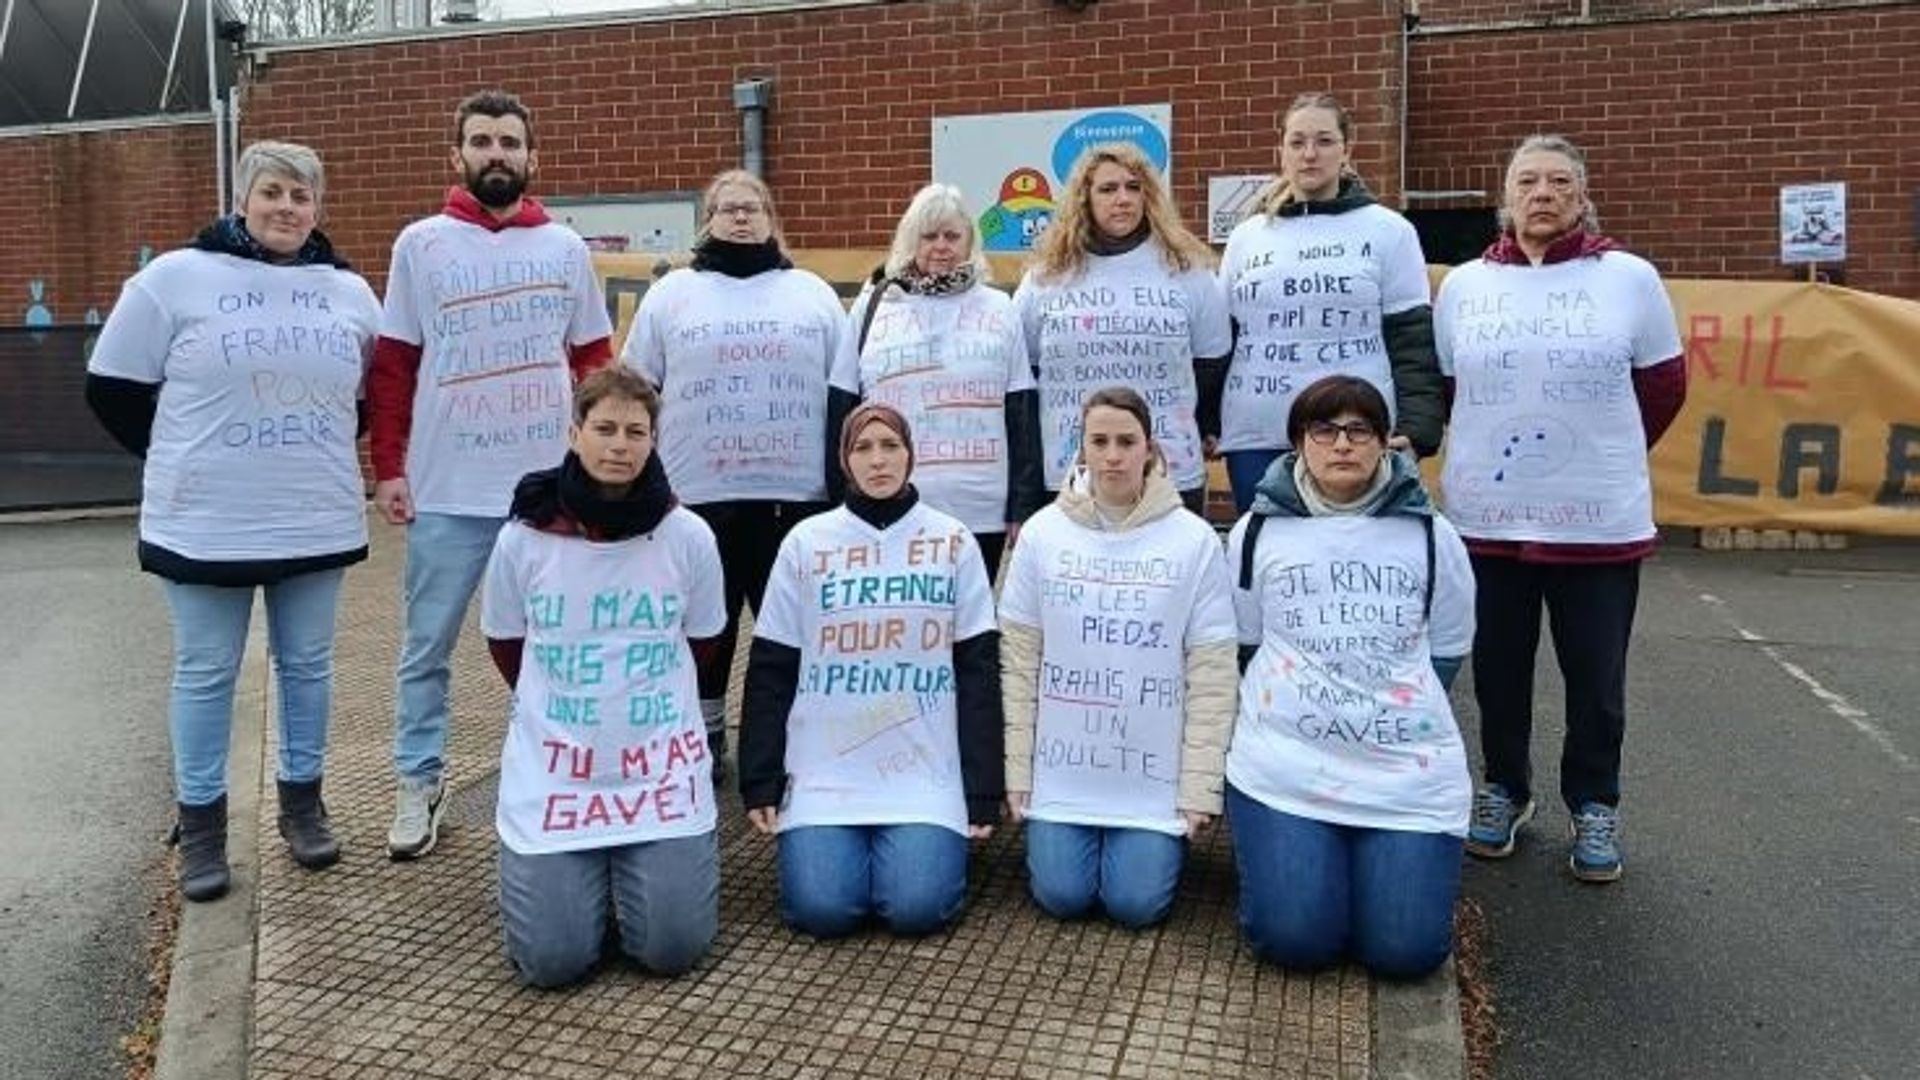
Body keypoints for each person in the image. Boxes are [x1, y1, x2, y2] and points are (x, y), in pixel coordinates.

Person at [85, 140, 381, 901]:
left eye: (302, 196)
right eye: (272, 192)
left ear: (318, 208)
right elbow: (112, 387)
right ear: (242, 200)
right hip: (204, 522)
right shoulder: (174, 279)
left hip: (312, 517)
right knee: (206, 670)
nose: (287, 207)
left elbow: (364, 398)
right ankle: (203, 830)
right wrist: (179, 454)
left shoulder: (349, 292)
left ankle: (303, 807)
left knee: (308, 666)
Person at [369, 89, 614, 861]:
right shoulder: (420, 245)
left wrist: (602, 464)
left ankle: (563, 770)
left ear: (532, 157)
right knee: (426, 648)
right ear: (458, 155)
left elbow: (594, 361)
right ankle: (418, 780)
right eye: (482, 141)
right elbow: (395, 364)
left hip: (548, 490)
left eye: (509, 142)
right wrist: (388, 467)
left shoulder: (565, 249)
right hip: (447, 490)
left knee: (560, 644)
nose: (496, 154)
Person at [1435, 134, 1686, 883]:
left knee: (1595, 678)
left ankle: (1594, 803)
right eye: (1527, 182)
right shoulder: (1465, 287)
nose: (1541, 194)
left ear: (1582, 195)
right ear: (1505, 198)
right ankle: (1505, 789)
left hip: (1597, 523)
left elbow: (1663, 387)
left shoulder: (1629, 278)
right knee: (1498, 671)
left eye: (1558, 182)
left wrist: (1598, 451)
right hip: (1489, 522)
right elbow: (1450, 389)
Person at [478, 367, 725, 987]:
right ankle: (576, 887)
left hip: (658, 774)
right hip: (559, 776)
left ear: (654, 440)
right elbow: (506, 644)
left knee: (673, 950)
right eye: (605, 429)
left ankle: (634, 877)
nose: (620, 445)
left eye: (636, 432)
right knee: (551, 964)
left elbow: (704, 642)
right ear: (574, 434)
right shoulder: (523, 538)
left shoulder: (687, 536)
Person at [1224, 376, 1475, 977]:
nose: (1342, 444)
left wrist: (1380, 719)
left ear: (1385, 442)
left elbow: (1448, 647)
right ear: (1298, 443)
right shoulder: (1255, 533)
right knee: (1296, 941)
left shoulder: (1431, 535)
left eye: (1359, 430)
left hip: (1403, 775)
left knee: (1405, 953)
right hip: (1286, 767)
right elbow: (1246, 643)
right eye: (1324, 430)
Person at [738, 402, 1002, 938]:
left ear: (910, 454)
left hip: (924, 774)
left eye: (890, 446)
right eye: (863, 448)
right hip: (825, 772)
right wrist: (760, 778)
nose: (878, 460)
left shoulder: (953, 541)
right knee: (823, 911)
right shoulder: (806, 542)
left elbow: (978, 672)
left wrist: (982, 787)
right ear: (844, 459)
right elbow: (771, 668)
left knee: (917, 908)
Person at [620, 169, 845, 777]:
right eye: (728, 208)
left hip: (797, 501)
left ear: (771, 219)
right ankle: (705, 736)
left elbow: (845, 391)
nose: (741, 217)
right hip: (695, 502)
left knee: (789, 631)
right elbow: (636, 389)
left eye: (752, 207)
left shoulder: (812, 293)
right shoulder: (671, 294)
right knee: (703, 630)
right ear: (708, 221)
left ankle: (782, 746)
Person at [999, 388, 1238, 928]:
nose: (1112, 456)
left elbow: (1213, 673)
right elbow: (1017, 664)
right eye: (1099, 441)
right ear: (1080, 448)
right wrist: (1017, 771)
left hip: (1150, 783)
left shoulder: (1195, 540)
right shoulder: (1040, 534)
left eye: (1126, 442)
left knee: (1137, 904)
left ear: (1149, 449)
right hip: (1064, 776)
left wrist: (1197, 787)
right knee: (1061, 895)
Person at [1217, 92, 1445, 513]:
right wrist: (1207, 422)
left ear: (1346, 150)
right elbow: (1223, 339)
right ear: (1281, 151)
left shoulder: (1389, 230)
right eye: (1297, 142)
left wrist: (1418, 429)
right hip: (1258, 435)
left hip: (1354, 436)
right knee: (1267, 548)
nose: (1309, 154)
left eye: (1324, 141)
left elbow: (1412, 338)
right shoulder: (1247, 236)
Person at [829, 183, 1045, 578]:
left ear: (970, 242)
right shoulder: (873, 305)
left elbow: (1022, 414)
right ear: (910, 242)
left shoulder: (1000, 307)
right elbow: (842, 407)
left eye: (952, 236)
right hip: (891, 502)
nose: (941, 247)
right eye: (929, 236)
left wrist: (1023, 506)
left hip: (981, 510)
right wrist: (841, 497)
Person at [1013, 144, 1231, 516]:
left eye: (1134, 187)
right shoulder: (1045, 278)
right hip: (1070, 475)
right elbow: (1025, 376)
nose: (1123, 199)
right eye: (1108, 189)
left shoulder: (1188, 272)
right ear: (1085, 198)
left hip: (1169, 471)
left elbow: (1212, 365)